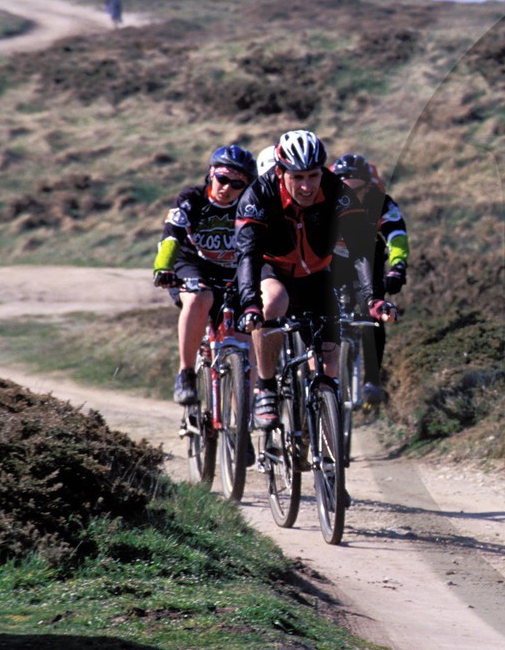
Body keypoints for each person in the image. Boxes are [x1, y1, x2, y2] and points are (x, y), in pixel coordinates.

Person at [234, 129, 395, 430]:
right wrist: (250, 305)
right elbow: (248, 255)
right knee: (274, 302)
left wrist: (373, 298)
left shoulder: (337, 191)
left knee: (328, 364)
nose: (307, 186)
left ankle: (320, 425)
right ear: (280, 172)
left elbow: (361, 250)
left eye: (313, 175)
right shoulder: (258, 195)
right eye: (298, 177)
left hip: (318, 274)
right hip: (273, 269)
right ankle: (266, 388)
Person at [152, 145, 258, 404]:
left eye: (236, 184)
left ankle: (243, 426)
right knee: (201, 298)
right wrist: (163, 267)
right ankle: (186, 374)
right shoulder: (192, 198)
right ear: (211, 174)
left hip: (233, 271)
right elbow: (171, 234)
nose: (227, 188)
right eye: (222, 179)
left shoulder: (249, 206)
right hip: (191, 264)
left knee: (247, 337)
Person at [329, 152, 411, 404]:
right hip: (331, 261)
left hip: (368, 260)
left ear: (370, 186)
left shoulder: (382, 203)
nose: (351, 195)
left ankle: (371, 380)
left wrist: (397, 267)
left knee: (372, 315)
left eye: (358, 189)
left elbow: (396, 236)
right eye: (344, 188)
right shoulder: (323, 201)